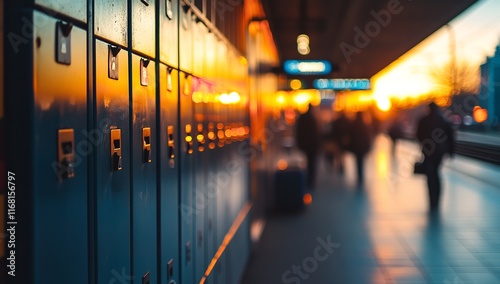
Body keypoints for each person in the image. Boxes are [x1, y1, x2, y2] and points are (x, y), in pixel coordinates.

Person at [416, 102, 455, 212]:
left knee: (430, 174)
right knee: (436, 172)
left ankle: (431, 199)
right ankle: (437, 198)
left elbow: (418, 134)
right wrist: (451, 151)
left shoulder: (424, 120)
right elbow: (450, 136)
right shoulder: (443, 121)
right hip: (440, 152)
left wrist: (424, 145)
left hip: (428, 151)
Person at [295, 104, 321, 188]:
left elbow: (298, 131)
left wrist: (299, 143)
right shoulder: (312, 118)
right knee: (311, 164)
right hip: (312, 146)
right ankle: (310, 181)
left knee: (307, 163)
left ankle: (307, 180)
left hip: (305, 145)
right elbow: (315, 134)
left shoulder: (303, 118)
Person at [347, 112, 372, 185]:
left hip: (356, 147)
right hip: (362, 147)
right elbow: (368, 137)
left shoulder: (353, 124)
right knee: (361, 162)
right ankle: (361, 177)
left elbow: (350, 136)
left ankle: (359, 176)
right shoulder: (365, 124)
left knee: (357, 161)